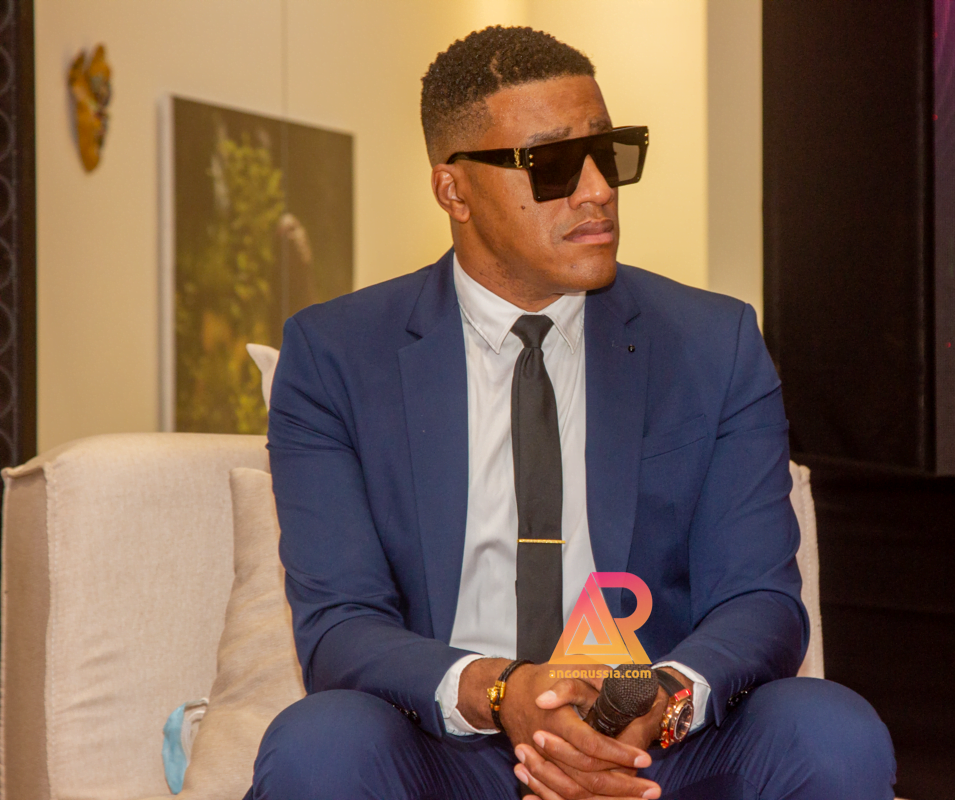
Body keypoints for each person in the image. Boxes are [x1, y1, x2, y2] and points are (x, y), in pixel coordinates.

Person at [249, 25, 896, 800]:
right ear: (454, 190)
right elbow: (340, 626)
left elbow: (760, 600)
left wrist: (660, 703)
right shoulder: (335, 356)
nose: (598, 190)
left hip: (656, 743)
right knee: (318, 746)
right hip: (450, 748)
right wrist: (501, 692)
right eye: (553, 164)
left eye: (608, 153)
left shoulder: (713, 343)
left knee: (831, 732)